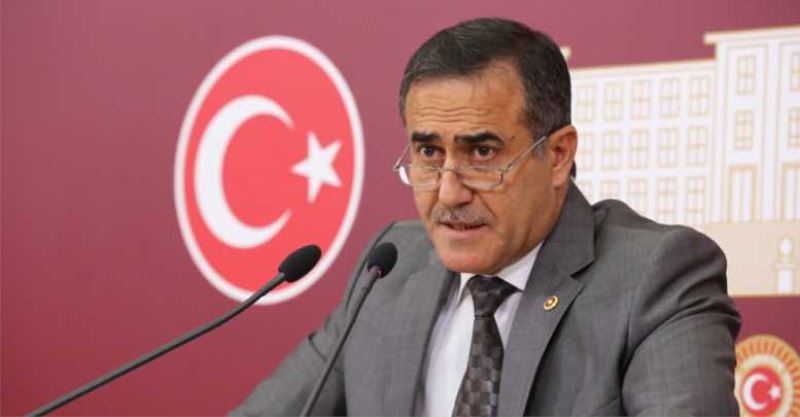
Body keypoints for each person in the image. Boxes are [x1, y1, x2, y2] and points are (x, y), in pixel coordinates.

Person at [232, 17, 740, 416]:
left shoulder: (655, 278)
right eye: (429, 153)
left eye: (482, 153)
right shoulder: (391, 270)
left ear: (558, 155)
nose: (449, 192)